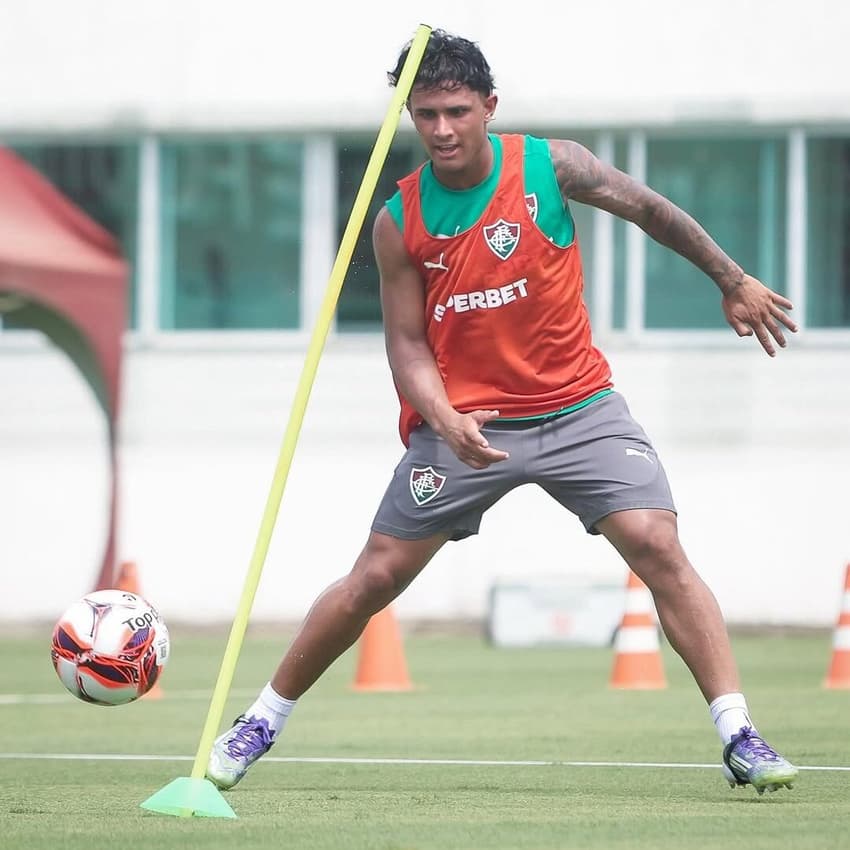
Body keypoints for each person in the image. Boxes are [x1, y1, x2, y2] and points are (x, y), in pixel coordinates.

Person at [207, 29, 799, 795]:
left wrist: (731, 277)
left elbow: (651, 210)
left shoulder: (552, 167)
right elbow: (408, 346)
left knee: (657, 544)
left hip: (580, 407)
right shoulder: (399, 220)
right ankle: (261, 720)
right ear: (408, 117)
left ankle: (740, 735)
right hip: (466, 425)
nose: (442, 129)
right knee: (376, 576)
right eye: (424, 115)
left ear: (490, 106)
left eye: (456, 110)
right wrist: (442, 415)